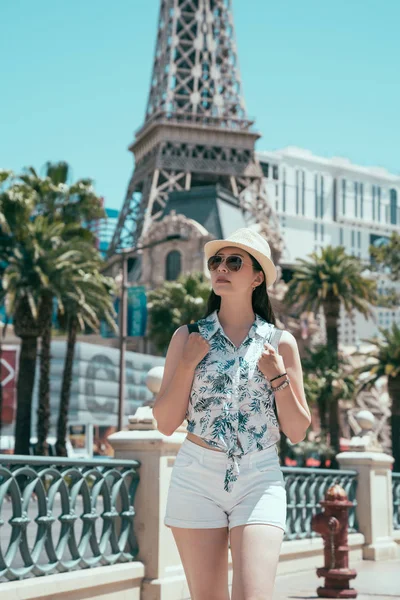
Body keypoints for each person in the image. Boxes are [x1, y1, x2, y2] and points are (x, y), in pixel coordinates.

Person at [153, 228, 311, 600]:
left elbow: (298, 430)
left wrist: (278, 378)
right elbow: (164, 422)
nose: (221, 268)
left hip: (259, 477)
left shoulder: (279, 343)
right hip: (196, 475)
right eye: (216, 261)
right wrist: (189, 364)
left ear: (257, 277)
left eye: (234, 262)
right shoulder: (187, 337)